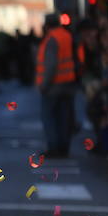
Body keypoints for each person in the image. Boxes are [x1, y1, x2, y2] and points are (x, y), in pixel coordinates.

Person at [36, 14, 80, 158]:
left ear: (47, 25)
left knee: (49, 117)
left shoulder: (51, 40)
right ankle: (63, 147)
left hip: (54, 86)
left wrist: (44, 85)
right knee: (64, 117)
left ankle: (53, 147)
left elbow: (51, 65)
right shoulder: (68, 36)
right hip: (68, 82)